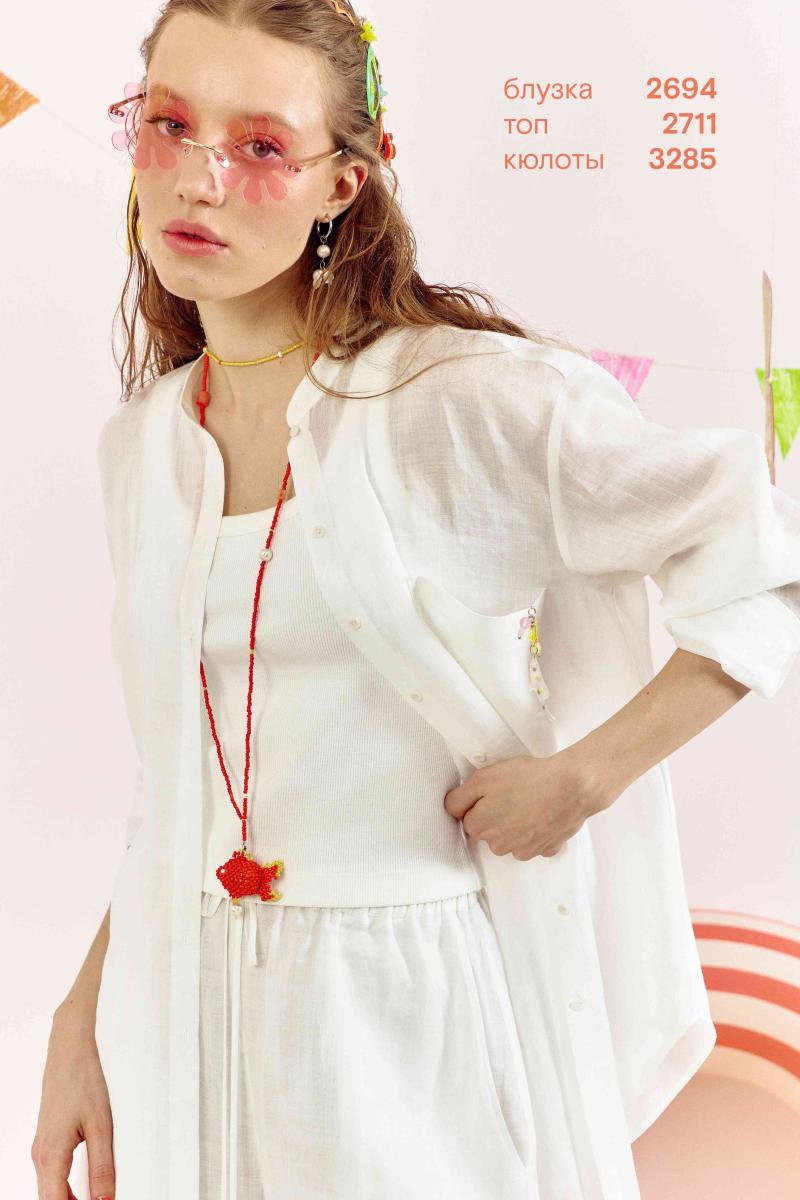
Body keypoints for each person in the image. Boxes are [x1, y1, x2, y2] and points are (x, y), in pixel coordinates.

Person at [31, 2, 800, 1199]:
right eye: (170, 124)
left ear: (343, 183)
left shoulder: (457, 402)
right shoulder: (142, 448)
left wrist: (583, 776)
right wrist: (79, 1016)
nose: (199, 179)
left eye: (260, 144)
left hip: (397, 1031)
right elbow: (173, 782)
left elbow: (759, 550)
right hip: (171, 1019)